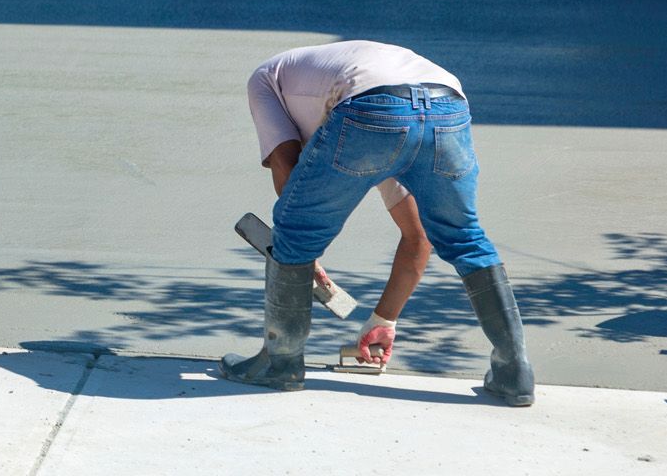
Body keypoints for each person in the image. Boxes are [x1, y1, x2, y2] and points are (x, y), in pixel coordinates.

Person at [221, 40, 534, 406]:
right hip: (446, 105)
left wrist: (300, 255)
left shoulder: (265, 80)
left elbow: (285, 166)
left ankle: (280, 362)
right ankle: (515, 372)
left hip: (370, 108)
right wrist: (384, 320)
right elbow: (418, 239)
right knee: (464, 237)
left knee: (294, 231)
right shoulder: (368, 123)